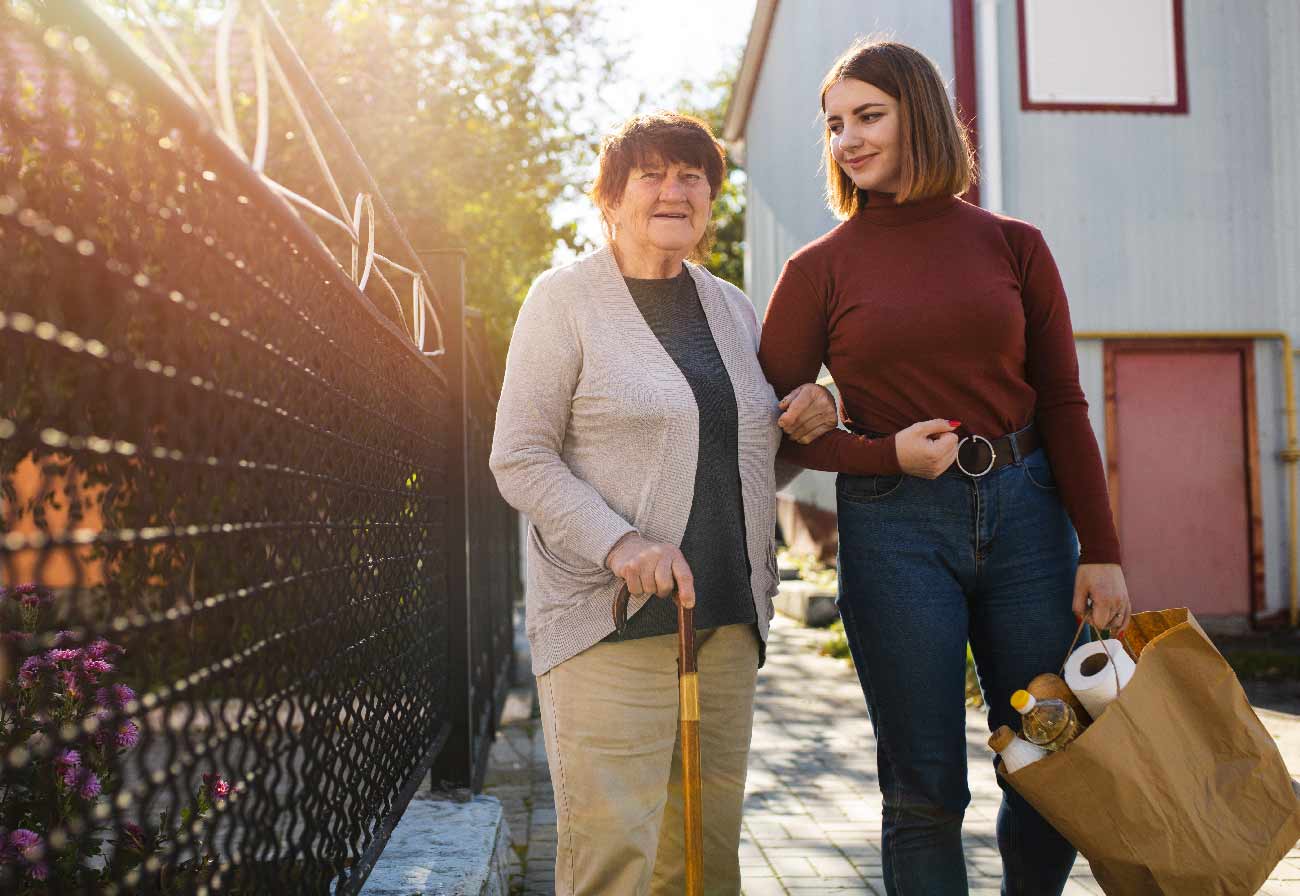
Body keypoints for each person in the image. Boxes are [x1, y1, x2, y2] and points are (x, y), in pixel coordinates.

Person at [757, 39, 1133, 896]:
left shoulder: (1015, 246)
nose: (847, 139)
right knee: (923, 790)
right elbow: (768, 430)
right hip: (894, 528)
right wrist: (874, 451)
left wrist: (1102, 549)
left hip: (1032, 518)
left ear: (919, 113)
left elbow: (1066, 404)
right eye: (834, 125)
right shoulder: (816, 270)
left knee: (1049, 768)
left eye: (868, 116)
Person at [489, 111, 836, 896]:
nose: (674, 191)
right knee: (615, 864)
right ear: (610, 200)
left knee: (706, 866)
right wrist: (621, 545)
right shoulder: (563, 301)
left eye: (693, 176)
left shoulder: (733, 308)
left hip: (724, 627)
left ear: (711, 200)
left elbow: (742, 462)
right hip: (609, 626)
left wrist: (810, 420)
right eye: (650, 175)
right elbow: (520, 456)